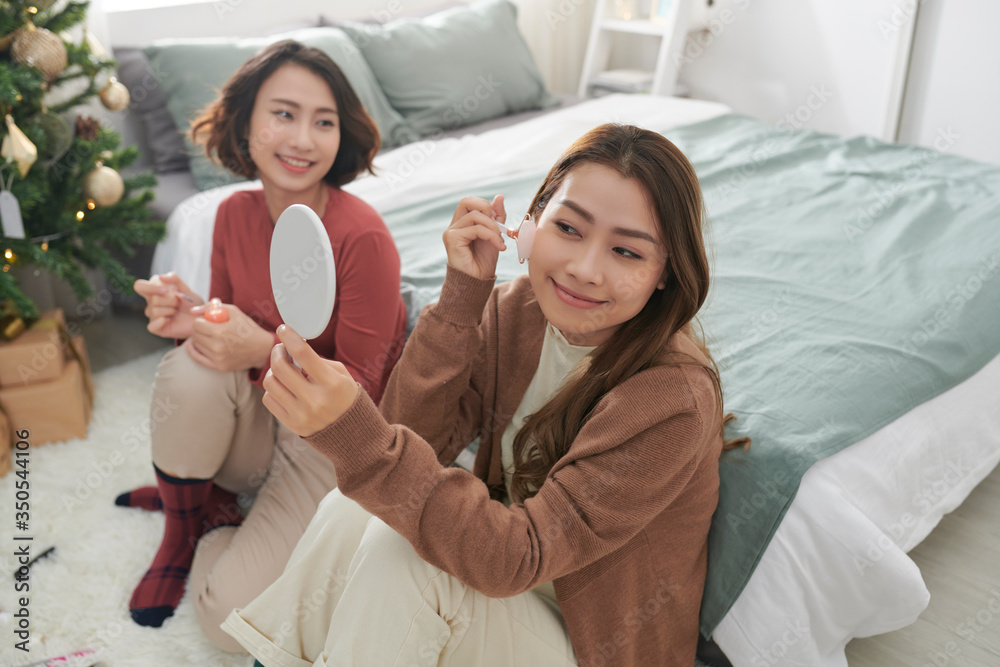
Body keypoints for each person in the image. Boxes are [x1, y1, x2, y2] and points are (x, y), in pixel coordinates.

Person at [222, 123, 748, 666]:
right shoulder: (517, 310)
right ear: (529, 223)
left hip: (590, 641)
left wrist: (355, 435)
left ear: (665, 274)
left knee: (408, 564)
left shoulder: (672, 399)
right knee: (355, 509)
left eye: (626, 252)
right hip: (507, 585)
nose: (584, 268)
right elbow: (413, 438)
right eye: (568, 228)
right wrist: (460, 299)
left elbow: (514, 557)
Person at [118, 40, 408, 650]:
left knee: (233, 624)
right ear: (245, 123)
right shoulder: (232, 215)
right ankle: (182, 526)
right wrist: (195, 317)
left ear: (341, 136)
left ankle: (215, 509)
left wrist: (256, 352)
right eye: (283, 113)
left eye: (323, 121)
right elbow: (233, 323)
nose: (302, 138)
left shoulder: (363, 239)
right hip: (257, 418)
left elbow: (365, 397)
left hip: (323, 443)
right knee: (188, 367)